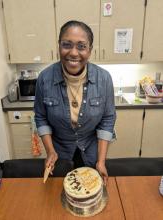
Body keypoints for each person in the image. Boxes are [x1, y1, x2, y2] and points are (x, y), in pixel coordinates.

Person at [34, 20, 116, 185]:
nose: (73, 52)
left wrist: (101, 161)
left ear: (90, 50)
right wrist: (50, 152)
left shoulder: (104, 78)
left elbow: (107, 120)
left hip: (92, 151)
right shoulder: (44, 78)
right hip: (60, 153)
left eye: (81, 46)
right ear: (58, 46)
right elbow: (41, 117)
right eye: (67, 44)